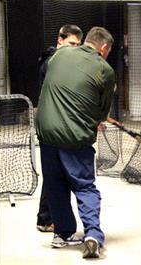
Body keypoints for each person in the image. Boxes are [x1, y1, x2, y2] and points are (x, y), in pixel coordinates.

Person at [36, 26, 116, 259]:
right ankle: (92, 234)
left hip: (46, 133)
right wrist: (96, 118)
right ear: (103, 47)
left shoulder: (59, 55)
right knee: (84, 185)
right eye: (109, 50)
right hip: (74, 136)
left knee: (55, 185)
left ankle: (63, 234)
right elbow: (102, 113)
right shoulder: (105, 69)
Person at [36, 24, 83, 233]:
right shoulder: (52, 62)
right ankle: (48, 219)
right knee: (56, 175)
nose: (74, 48)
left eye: (78, 45)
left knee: (54, 174)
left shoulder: (62, 61)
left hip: (60, 124)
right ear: (60, 40)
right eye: (71, 43)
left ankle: (45, 218)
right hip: (52, 126)